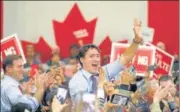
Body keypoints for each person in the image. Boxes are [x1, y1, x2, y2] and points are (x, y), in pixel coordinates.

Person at [69, 18, 144, 111]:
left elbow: (125, 58)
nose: (96, 59)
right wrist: (101, 87)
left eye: (97, 56)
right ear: (82, 60)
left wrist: (136, 41)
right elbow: (91, 109)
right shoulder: (77, 82)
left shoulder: (102, 72)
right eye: (91, 56)